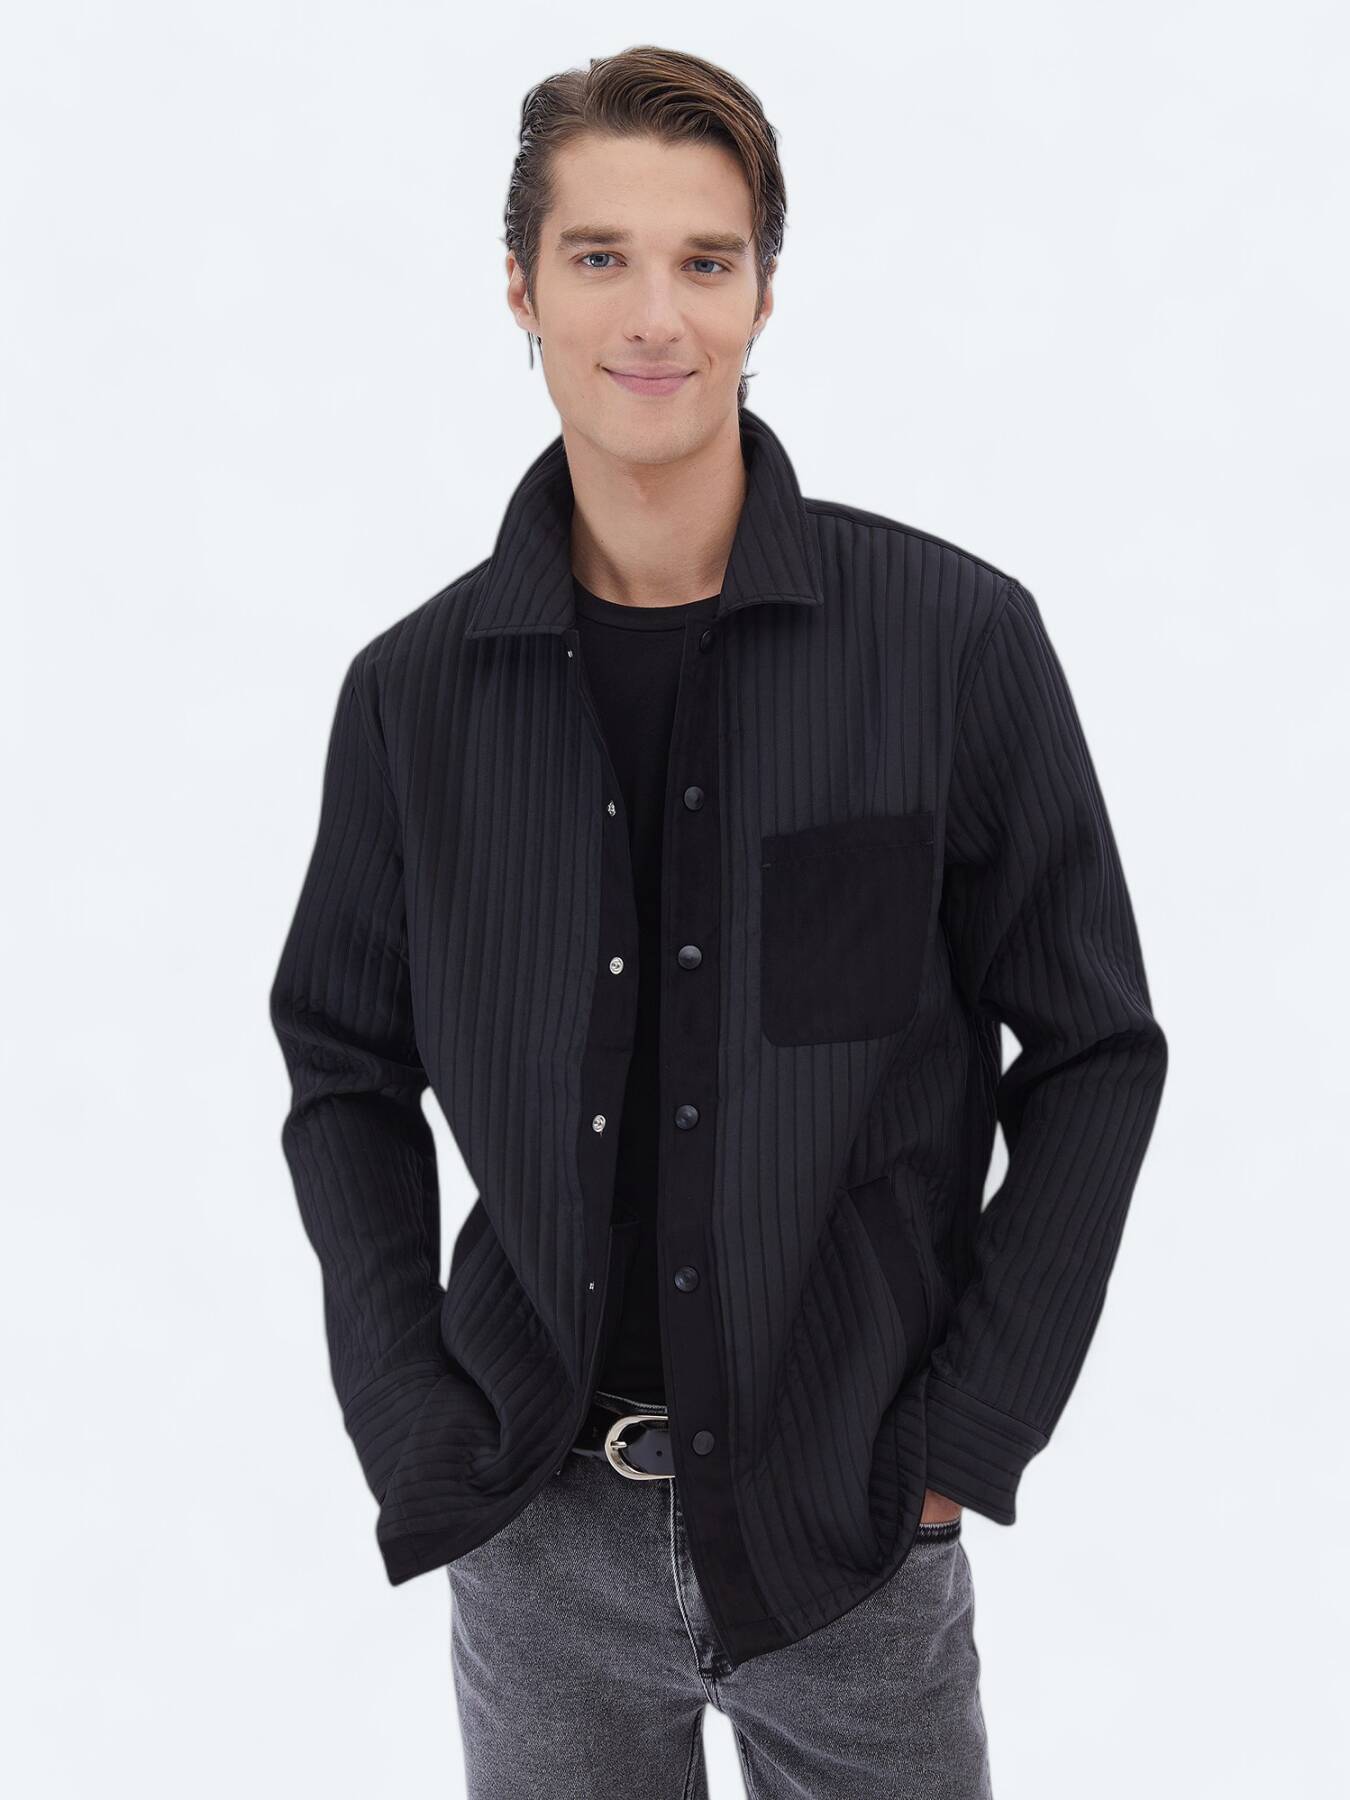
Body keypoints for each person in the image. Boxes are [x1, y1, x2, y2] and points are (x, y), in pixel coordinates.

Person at [269, 43, 1168, 1800]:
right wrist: (410, 1419)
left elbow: (1093, 1049)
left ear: (764, 291)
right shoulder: (411, 696)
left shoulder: (950, 643)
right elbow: (341, 1067)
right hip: (531, 1529)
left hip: (852, 1529)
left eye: (705, 259)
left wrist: (964, 1438)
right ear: (519, 289)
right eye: (598, 256)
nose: (653, 315)